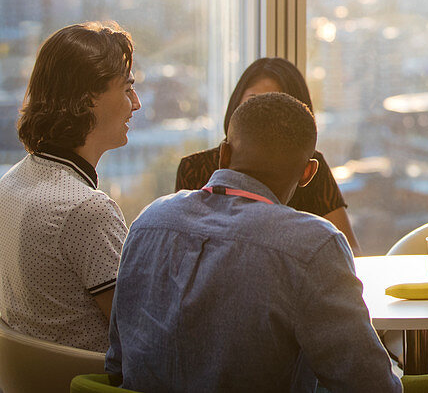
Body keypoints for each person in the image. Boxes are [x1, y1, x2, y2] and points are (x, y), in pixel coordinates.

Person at [107, 92, 400, 393]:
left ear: (223, 155)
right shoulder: (312, 246)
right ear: (308, 173)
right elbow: (372, 386)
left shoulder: (149, 222)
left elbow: (116, 366)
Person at [0, 21, 140, 352]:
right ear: (88, 99)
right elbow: (140, 336)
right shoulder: (85, 209)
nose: (136, 103)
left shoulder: (11, 183)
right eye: (127, 88)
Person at [175, 56, 360, 254]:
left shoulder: (307, 167)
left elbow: (349, 253)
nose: (262, 117)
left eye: (277, 107)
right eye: (253, 103)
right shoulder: (194, 168)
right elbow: (181, 250)